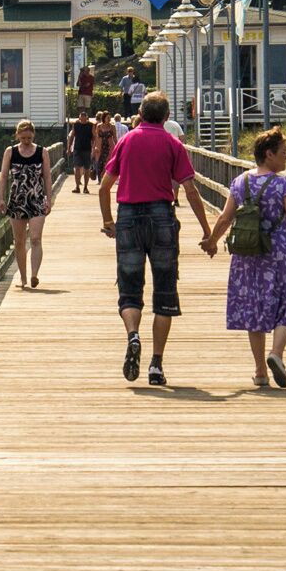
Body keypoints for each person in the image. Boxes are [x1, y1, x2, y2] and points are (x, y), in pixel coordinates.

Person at [99, 91, 214, 386]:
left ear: (140, 113)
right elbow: (190, 190)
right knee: (164, 292)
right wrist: (207, 231)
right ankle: (156, 365)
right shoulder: (173, 144)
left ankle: (133, 335)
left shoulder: (126, 141)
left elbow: (104, 187)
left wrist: (108, 221)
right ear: (166, 116)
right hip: (162, 216)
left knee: (129, 289)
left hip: (128, 217)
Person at [201, 128, 286, 387]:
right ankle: (276, 354)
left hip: (248, 255)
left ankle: (261, 371)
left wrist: (212, 241)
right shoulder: (283, 185)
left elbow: (225, 217)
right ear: (269, 154)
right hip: (279, 253)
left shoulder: (240, 182)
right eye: (283, 153)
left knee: (254, 308)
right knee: (283, 304)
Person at [0, 119, 52, 289]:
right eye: (23, 138)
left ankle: (34, 275)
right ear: (17, 136)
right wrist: (1, 198)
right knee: (19, 241)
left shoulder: (42, 152)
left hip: (37, 199)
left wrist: (49, 199)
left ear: (33, 135)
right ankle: (23, 278)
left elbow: (47, 176)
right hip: (17, 200)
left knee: (35, 238)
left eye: (29, 138)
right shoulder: (10, 152)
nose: (26, 141)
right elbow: (3, 176)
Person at [67, 106, 97, 193]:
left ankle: (85, 187)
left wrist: (94, 147)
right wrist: (69, 148)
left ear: (86, 118)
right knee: (77, 168)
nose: (83, 119)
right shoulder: (76, 125)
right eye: (81, 117)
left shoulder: (91, 125)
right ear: (79, 118)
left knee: (87, 169)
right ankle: (77, 187)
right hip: (77, 149)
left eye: (84, 117)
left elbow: (94, 137)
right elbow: (72, 136)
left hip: (87, 149)